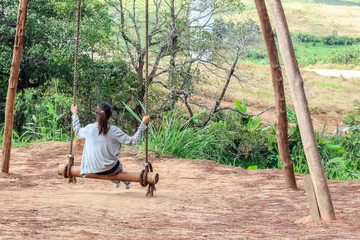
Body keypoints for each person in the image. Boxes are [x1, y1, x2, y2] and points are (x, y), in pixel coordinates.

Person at [70, 102, 150, 189]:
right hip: (110, 168)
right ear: (110, 116)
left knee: (108, 164)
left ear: (97, 115)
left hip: (92, 168)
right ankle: (126, 182)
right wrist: (143, 124)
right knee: (117, 166)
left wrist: (74, 114)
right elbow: (133, 141)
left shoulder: (89, 128)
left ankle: (117, 181)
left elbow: (77, 131)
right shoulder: (114, 130)